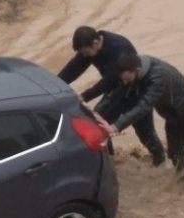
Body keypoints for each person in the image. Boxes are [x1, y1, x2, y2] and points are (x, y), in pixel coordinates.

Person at [96, 52, 184, 177]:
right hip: (173, 113)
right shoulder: (133, 71)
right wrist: (96, 112)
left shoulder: (158, 78)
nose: (125, 82)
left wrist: (116, 126)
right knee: (174, 154)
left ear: (137, 70)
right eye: (123, 79)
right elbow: (116, 91)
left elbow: (144, 106)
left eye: (127, 79)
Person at [58, 26, 166, 166]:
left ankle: (161, 161)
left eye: (85, 52)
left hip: (135, 91)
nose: (84, 56)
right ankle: (110, 161)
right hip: (115, 92)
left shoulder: (118, 47)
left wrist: (85, 96)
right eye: (82, 53)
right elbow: (73, 68)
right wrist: (54, 83)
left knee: (145, 133)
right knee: (98, 124)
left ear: (96, 42)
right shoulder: (90, 48)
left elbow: (111, 79)